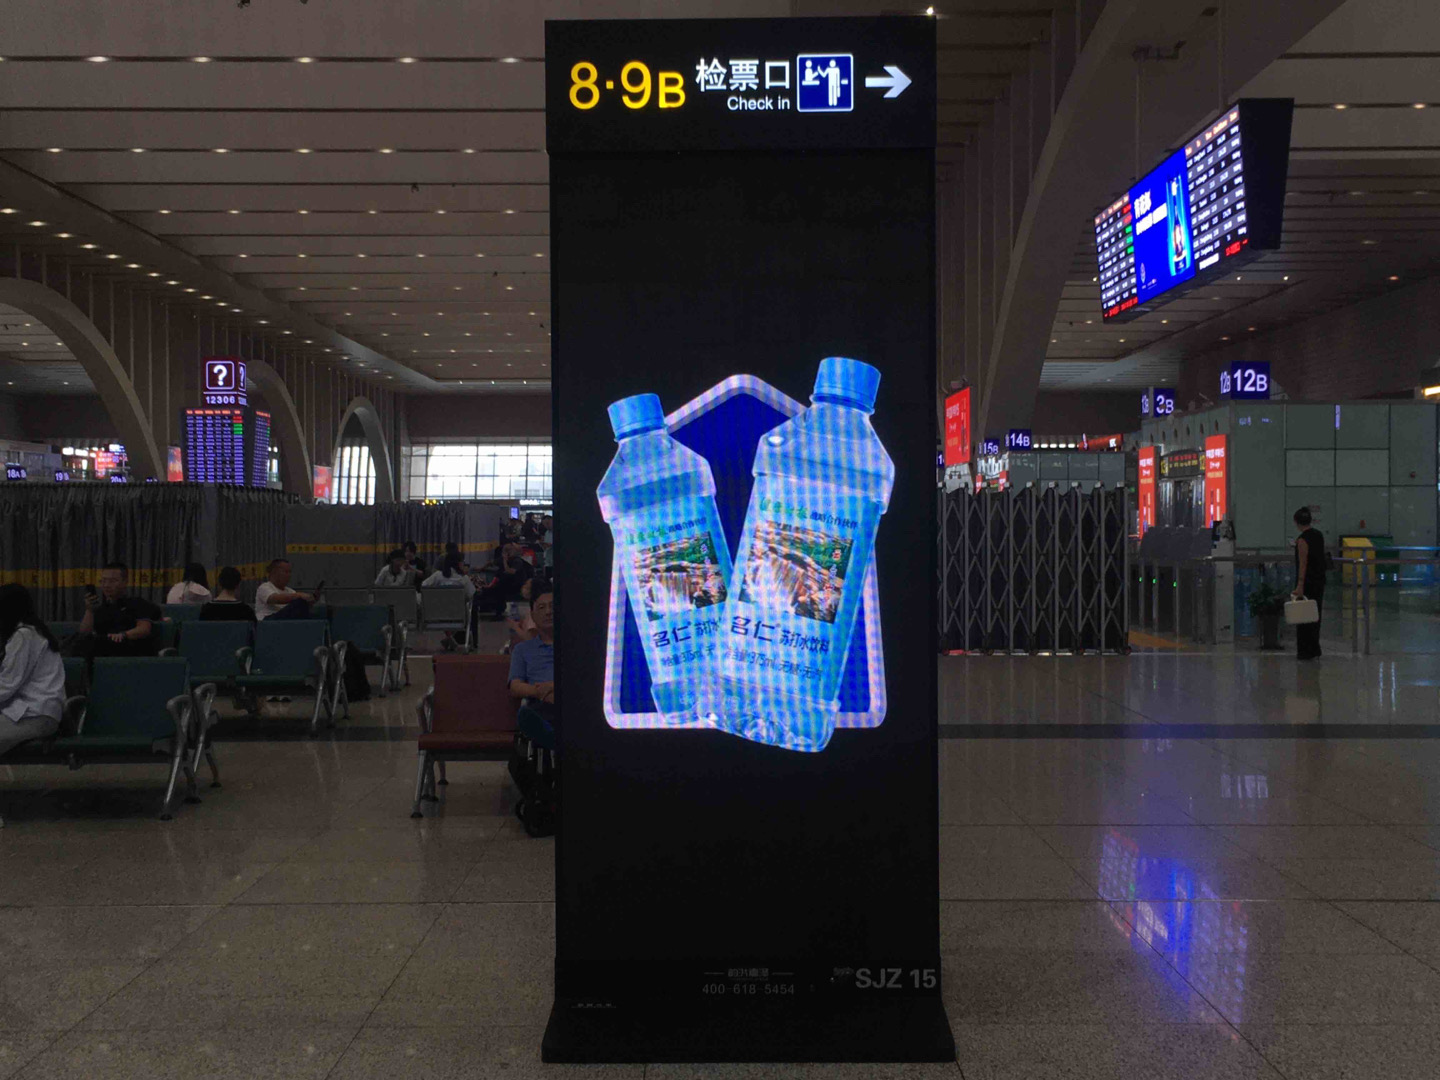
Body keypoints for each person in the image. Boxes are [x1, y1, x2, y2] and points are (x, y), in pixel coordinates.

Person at [0, 584, 66, 761]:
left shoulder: (23, 636)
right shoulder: (33, 631)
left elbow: (7, 685)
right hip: (36, 713)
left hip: (35, 715)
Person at [79, 562, 161, 656]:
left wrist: (123, 635)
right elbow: (84, 633)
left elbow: (144, 629)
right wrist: (89, 611)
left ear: (125, 582)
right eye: (103, 581)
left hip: (130, 648)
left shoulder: (137, 603)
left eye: (112, 581)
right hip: (104, 649)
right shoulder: (100, 609)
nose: (106, 585)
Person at [508, 585, 554, 708]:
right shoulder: (522, 649)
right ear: (533, 616)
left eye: (552, 606)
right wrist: (540, 692)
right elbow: (515, 686)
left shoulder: (574, 646)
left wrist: (553, 686)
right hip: (539, 705)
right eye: (541, 607)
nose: (548, 612)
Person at [1291, 507, 1327, 661]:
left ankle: (1305, 650)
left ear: (1297, 522)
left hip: (1307, 582)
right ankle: (1314, 648)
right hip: (1319, 580)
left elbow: (1303, 563)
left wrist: (1300, 584)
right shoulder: (1318, 535)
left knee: (1303, 616)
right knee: (1315, 614)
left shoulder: (1302, 540)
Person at [422, 553, 476, 651]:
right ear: (458, 564)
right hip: (459, 615)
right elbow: (471, 594)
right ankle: (454, 640)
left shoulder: (437, 576)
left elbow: (424, 586)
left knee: (444, 610)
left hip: (437, 615)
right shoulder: (464, 579)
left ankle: (450, 640)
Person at [478, 542, 534, 619]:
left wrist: (505, 561)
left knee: (499, 589)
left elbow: (510, 571)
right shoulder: (502, 559)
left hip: (516, 584)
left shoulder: (517, 561)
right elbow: (491, 563)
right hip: (507, 583)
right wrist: (481, 568)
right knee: (494, 588)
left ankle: (499, 612)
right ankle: (488, 607)